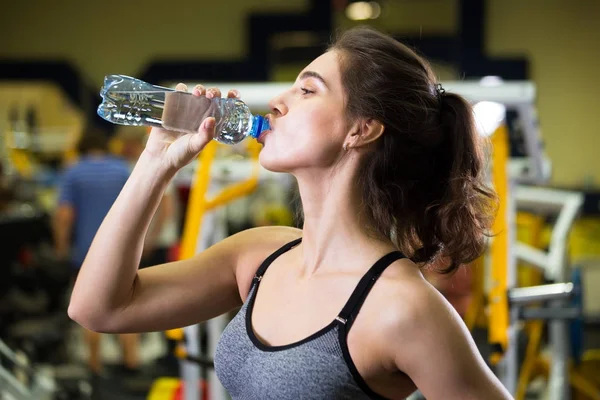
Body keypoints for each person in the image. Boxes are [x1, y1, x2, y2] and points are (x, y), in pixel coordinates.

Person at [68, 27, 513, 399]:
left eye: (306, 89)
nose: (278, 103)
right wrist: (157, 162)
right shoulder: (260, 256)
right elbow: (99, 309)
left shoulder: (402, 307)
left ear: (362, 129)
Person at [53, 128, 139, 376]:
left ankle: (94, 366)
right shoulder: (122, 169)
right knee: (127, 304)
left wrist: (60, 248)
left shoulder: (73, 172)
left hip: (86, 253)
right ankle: (131, 362)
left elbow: (64, 215)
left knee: (90, 308)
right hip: (124, 251)